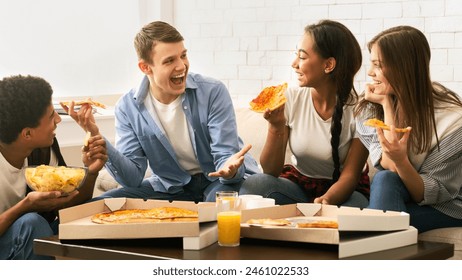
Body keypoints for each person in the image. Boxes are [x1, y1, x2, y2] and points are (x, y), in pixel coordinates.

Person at [64, 21, 260, 203]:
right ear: (145, 67)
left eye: (183, 55)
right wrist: (98, 139)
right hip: (172, 188)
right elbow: (132, 179)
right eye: (169, 61)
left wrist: (230, 170)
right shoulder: (128, 107)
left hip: (219, 182)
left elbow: (225, 156)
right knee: (102, 206)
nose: (181, 66)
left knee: (215, 209)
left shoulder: (212, 91)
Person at [239, 20, 370, 207]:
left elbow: (349, 176)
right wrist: (276, 127)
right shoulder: (291, 98)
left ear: (329, 64)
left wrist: (326, 201)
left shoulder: (361, 109)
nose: (294, 64)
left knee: (353, 209)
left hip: (344, 191)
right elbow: (270, 171)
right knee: (256, 184)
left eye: (302, 57)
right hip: (300, 187)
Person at [355, 25, 462, 233]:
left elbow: (427, 192)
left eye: (378, 65)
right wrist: (386, 105)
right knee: (385, 178)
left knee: (377, 223)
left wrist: (402, 160)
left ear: (403, 68)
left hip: (443, 207)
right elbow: (389, 166)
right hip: (396, 193)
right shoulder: (370, 108)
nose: (370, 72)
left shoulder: (453, 121)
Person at [0, 75, 107, 260]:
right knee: (32, 223)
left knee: (94, 210)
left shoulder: (43, 148)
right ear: (27, 133)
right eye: (51, 116)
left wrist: (90, 172)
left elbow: (67, 204)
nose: (58, 119)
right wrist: (24, 207)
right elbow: (28, 218)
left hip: (33, 235)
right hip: (15, 239)